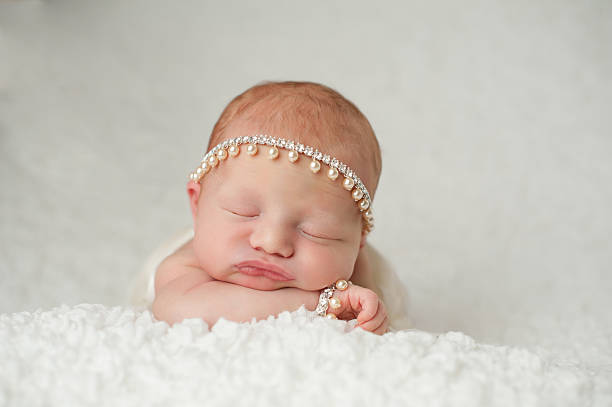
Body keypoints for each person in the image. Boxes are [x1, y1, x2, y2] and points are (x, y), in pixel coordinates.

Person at [150, 81, 407, 335]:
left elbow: (366, 333)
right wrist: (320, 302)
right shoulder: (185, 266)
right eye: (244, 212)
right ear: (196, 203)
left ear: (358, 240)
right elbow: (180, 311)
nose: (271, 243)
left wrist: (367, 315)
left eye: (316, 231)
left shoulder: (354, 268)